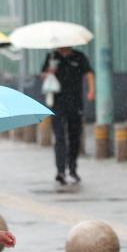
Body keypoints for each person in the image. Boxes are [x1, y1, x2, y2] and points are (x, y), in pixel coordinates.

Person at [41, 47, 95, 186]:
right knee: (59, 137)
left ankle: (72, 169)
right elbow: (43, 75)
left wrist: (91, 91)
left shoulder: (79, 56)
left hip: (75, 103)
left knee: (74, 137)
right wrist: (49, 72)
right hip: (57, 103)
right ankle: (60, 171)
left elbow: (89, 73)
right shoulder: (52, 56)